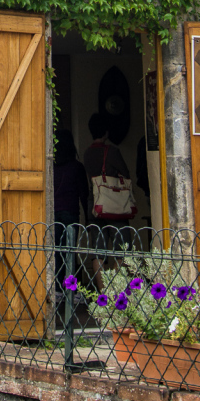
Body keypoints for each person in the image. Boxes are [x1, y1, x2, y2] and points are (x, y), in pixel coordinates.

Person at [83, 112, 135, 286]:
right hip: (114, 204)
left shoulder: (87, 153)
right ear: (106, 131)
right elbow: (125, 175)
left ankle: (102, 292)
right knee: (122, 247)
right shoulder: (112, 151)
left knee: (98, 250)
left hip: (95, 204)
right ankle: (115, 287)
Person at [53, 129, 88, 298]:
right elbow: (84, 194)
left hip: (54, 213)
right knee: (70, 252)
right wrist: (88, 218)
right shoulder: (76, 167)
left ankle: (58, 288)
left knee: (56, 252)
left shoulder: (52, 167)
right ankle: (71, 290)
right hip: (71, 213)